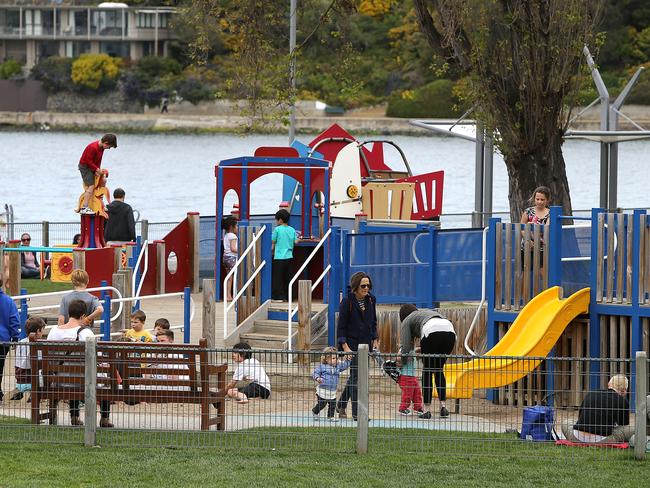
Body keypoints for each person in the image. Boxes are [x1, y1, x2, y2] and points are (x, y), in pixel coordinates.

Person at [47, 299, 113, 427]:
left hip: (59, 380)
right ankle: (104, 418)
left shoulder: (53, 331)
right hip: (84, 380)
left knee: (72, 375)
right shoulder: (86, 333)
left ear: (68, 313)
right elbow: (97, 358)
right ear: (83, 316)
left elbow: (50, 357)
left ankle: (74, 416)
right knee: (104, 379)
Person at [399, 304, 456, 419]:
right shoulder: (425, 312)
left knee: (428, 371)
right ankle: (443, 407)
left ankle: (427, 410)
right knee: (439, 369)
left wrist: (402, 362)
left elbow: (405, 347)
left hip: (430, 331)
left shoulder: (407, 320)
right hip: (450, 332)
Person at [336, 271, 378, 421]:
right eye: (363, 286)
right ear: (355, 287)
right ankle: (357, 413)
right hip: (352, 345)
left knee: (358, 377)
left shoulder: (371, 300)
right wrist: (345, 347)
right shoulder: (347, 302)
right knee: (356, 379)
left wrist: (375, 339)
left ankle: (341, 404)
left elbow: (373, 322)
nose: (366, 288)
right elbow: (341, 327)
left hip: (366, 345)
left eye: (368, 285)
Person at [561, 375, 634, 444]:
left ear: (609, 385)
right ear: (624, 390)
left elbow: (580, 417)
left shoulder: (591, 393)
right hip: (603, 440)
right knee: (632, 429)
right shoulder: (622, 401)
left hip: (577, 438)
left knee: (566, 422)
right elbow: (623, 425)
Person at [76, 134, 117, 215]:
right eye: (109, 146)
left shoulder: (102, 148)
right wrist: (97, 169)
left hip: (92, 167)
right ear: (106, 143)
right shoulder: (93, 147)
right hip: (85, 167)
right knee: (91, 186)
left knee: (103, 180)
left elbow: (98, 160)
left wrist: (98, 170)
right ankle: (84, 207)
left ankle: (99, 201)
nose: (109, 148)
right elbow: (88, 161)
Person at [311, 347, 350, 422]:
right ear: (326, 359)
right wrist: (317, 378)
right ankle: (315, 411)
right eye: (333, 358)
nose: (336, 360)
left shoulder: (337, 366)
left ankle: (330, 416)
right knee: (322, 403)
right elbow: (315, 373)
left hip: (332, 389)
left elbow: (345, 365)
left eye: (336, 358)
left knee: (332, 405)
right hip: (323, 389)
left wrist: (348, 360)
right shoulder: (322, 366)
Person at [12, 316, 46, 401]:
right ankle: (32, 394)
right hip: (32, 382)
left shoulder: (20, 342)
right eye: (42, 330)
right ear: (38, 331)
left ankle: (20, 392)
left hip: (19, 381)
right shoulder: (37, 344)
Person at [520, 185, 551, 267]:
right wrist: (528, 240)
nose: (539, 201)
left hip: (542, 247)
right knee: (525, 270)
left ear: (547, 200)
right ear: (534, 199)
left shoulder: (550, 213)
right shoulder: (528, 211)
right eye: (537, 199)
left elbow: (547, 228)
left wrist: (534, 225)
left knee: (543, 271)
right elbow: (521, 228)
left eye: (542, 199)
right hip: (527, 246)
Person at [0, 276, 20, 401]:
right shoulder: (8, 301)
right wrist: (15, 338)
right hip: (3, 340)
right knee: (0, 366)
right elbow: (14, 320)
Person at [271, 209, 298, 302]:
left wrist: (272, 249)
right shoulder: (292, 230)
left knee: (278, 278)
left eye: (277, 220)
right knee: (288, 277)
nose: (276, 221)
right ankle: (289, 296)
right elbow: (296, 241)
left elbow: (273, 242)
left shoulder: (277, 229)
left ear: (280, 220)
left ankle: (278, 296)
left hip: (279, 257)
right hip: (289, 256)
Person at [396, 347, 424, 416]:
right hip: (405, 375)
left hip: (412, 375)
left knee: (417, 392)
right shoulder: (404, 349)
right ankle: (403, 408)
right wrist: (411, 353)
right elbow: (398, 358)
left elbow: (415, 356)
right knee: (408, 393)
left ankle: (418, 408)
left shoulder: (412, 349)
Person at [222, 216, 238, 301]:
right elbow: (233, 248)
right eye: (236, 226)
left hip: (225, 258)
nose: (237, 228)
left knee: (229, 277)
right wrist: (242, 250)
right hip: (232, 258)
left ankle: (228, 295)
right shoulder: (233, 236)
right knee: (236, 276)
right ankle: (234, 294)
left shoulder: (226, 235)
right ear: (232, 227)